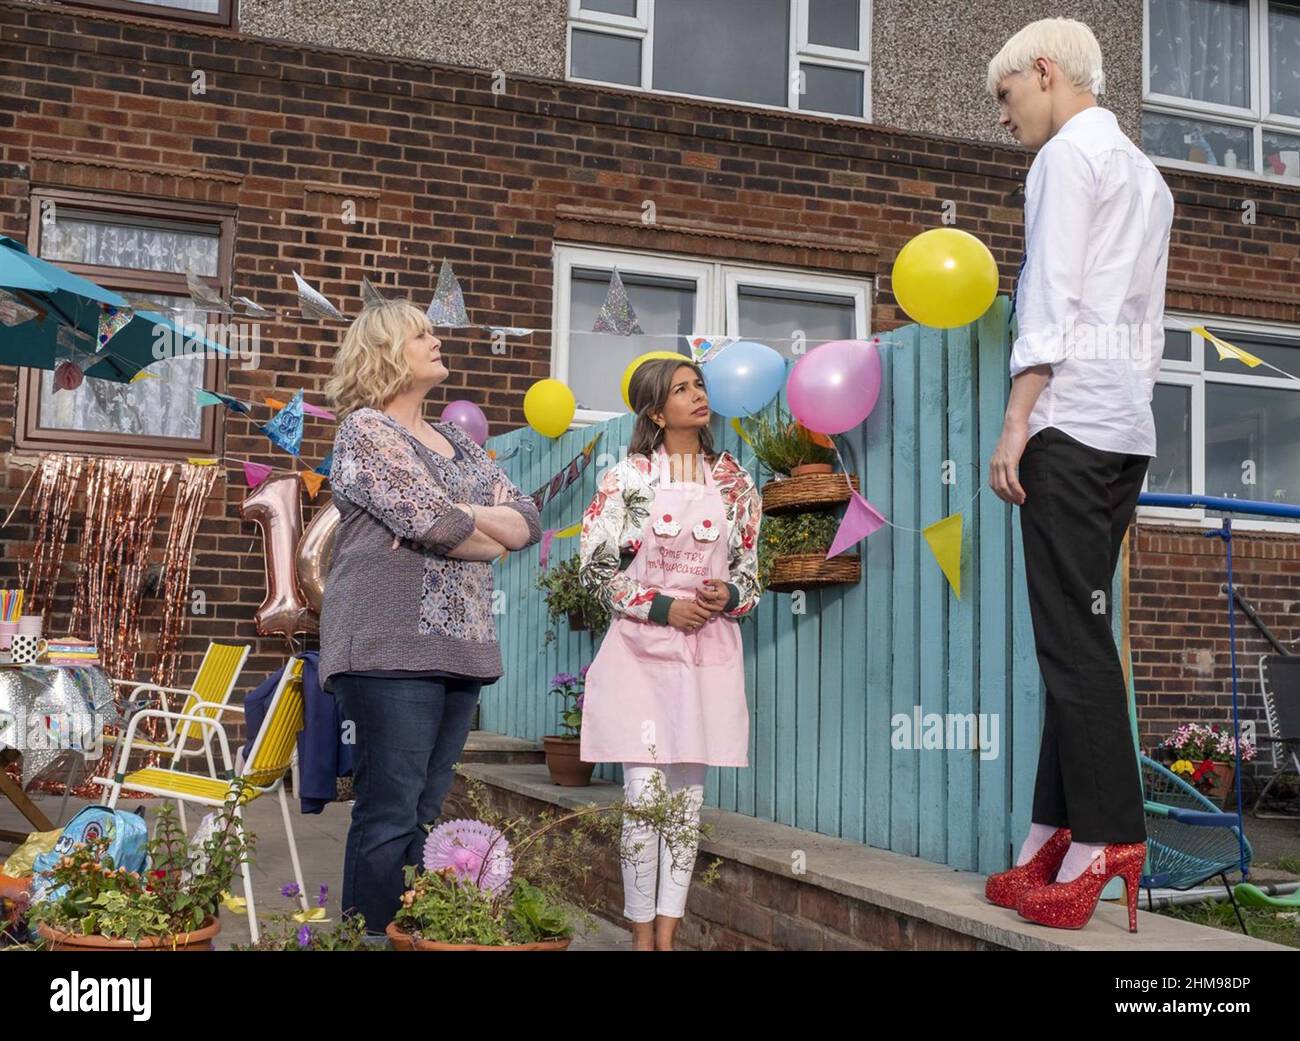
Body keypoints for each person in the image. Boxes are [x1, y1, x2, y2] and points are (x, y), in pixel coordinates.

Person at [983, 19, 1174, 932]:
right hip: (1125, 426)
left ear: (1046, 73)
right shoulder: (1148, 174)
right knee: (1080, 634)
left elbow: (1049, 297)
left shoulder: (1064, 160)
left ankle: (1107, 838)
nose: (1006, 116)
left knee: (1072, 640)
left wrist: (1016, 422)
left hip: (1067, 423)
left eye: (1008, 96)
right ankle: (1051, 832)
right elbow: (1146, 322)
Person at [320, 300, 541, 936]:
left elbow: (523, 523)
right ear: (386, 353)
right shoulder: (366, 432)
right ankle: (368, 940)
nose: (436, 339)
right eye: (422, 334)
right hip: (387, 646)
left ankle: (410, 937)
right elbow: (432, 522)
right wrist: (469, 524)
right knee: (388, 809)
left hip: (459, 645)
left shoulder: (463, 445)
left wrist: (462, 522)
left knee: (424, 810)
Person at [578, 357, 762, 951]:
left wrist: (728, 594)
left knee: (686, 803)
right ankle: (639, 937)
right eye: (681, 389)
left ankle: (668, 935)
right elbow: (593, 571)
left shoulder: (734, 482)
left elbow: (751, 579)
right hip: (639, 652)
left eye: (699, 384)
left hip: (707, 651)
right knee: (643, 797)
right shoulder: (626, 479)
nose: (697, 395)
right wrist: (661, 607)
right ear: (656, 412)